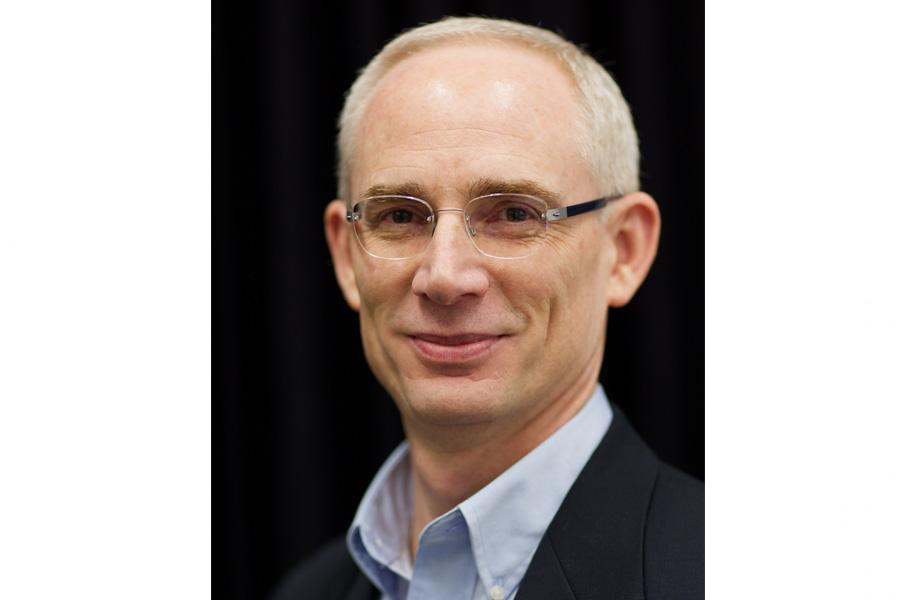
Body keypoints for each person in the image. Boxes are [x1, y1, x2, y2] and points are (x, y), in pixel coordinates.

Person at [272, 16, 703, 600]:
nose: (445, 276)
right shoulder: (307, 591)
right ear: (347, 255)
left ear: (623, 250)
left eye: (515, 214)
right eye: (400, 216)